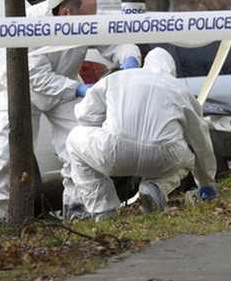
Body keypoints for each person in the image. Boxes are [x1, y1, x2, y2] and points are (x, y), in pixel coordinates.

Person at [0, 0, 142, 233]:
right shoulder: (31, 23)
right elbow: (38, 77)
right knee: (5, 154)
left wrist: (129, 58)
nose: (90, 25)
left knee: (78, 145)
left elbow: (116, 40)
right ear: (65, 14)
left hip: (64, 84)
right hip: (19, 87)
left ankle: (79, 208)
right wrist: (78, 90)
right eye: (86, 20)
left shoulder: (84, 19)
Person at [66, 47, 217, 220]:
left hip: (115, 152)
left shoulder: (116, 79)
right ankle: (155, 187)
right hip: (165, 156)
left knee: (73, 139)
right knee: (189, 158)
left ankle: (104, 209)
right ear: (170, 69)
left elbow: (85, 116)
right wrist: (207, 184)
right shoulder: (178, 88)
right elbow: (201, 140)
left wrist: (104, 133)